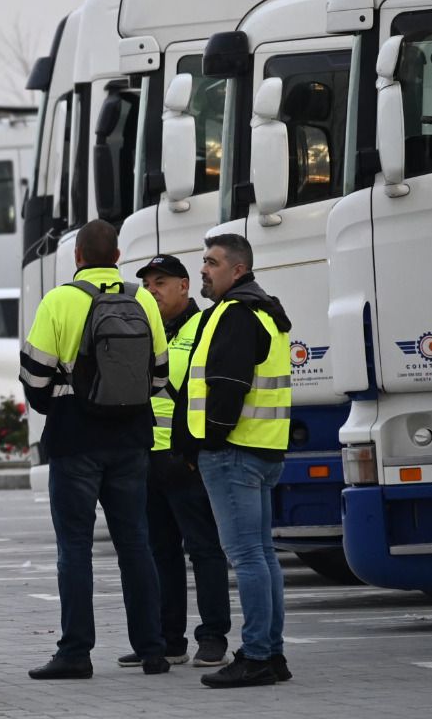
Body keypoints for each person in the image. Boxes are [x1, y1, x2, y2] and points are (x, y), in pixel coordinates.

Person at [19, 219, 171, 680]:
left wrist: (60, 402)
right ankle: (152, 649)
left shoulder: (60, 299)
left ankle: (75, 652)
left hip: (74, 440)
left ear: (77, 257)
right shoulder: (142, 298)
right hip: (131, 440)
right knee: (136, 545)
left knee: (75, 547)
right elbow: (160, 375)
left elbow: (34, 376)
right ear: (119, 256)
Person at [112, 254, 231, 670]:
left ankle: (213, 636)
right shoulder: (143, 329)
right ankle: (168, 639)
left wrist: (201, 449)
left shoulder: (207, 325)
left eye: (161, 282)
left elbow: (216, 390)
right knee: (159, 551)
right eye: (147, 284)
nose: (152, 290)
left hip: (188, 458)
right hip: (147, 457)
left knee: (204, 549)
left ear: (184, 285)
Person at [186, 233, 293, 688]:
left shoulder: (235, 314)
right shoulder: (267, 312)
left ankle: (256, 654)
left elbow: (227, 386)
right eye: (204, 261)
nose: (203, 271)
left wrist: (209, 441)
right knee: (263, 555)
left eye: (212, 263)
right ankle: (271, 653)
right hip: (264, 449)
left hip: (233, 454)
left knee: (248, 557)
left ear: (238, 270)